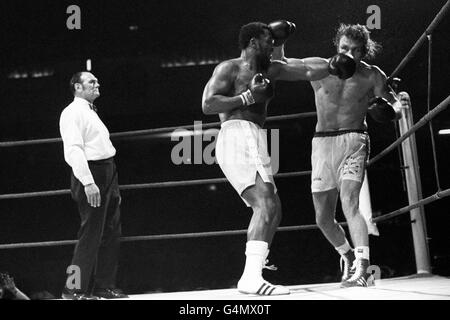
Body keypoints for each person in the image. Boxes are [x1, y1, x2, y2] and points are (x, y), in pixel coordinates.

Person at [202, 21, 356, 295]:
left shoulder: (272, 69)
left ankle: (255, 270)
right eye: (267, 40)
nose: (273, 44)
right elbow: (208, 103)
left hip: (254, 138)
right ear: (252, 43)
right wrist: (248, 96)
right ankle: (250, 279)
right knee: (266, 205)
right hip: (237, 135)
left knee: (272, 208)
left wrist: (333, 65)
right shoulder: (230, 68)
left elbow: (307, 68)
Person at [279, 23, 400, 287]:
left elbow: (395, 103)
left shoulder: (372, 75)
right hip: (322, 143)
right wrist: (279, 40)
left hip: (354, 139)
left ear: (364, 51)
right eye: (345, 48)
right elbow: (282, 64)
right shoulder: (319, 67)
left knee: (350, 202)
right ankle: (346, 255)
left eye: (356, 50)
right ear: (338, 46)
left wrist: (390, 110)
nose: (349, 54)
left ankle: (364, 269)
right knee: (322, 217)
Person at [59, 72, 128, 299]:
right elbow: (73, 150)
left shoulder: (89, 110)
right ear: (77, 87)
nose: (97, 84)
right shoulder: (72, 113)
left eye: (97, 81)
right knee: (89, 235)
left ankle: (103, 286)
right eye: (91, 82)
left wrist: (111, 181)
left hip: (107, 171)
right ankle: (72, 289)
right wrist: (88, 182)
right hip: (91, 173)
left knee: (111, 231)